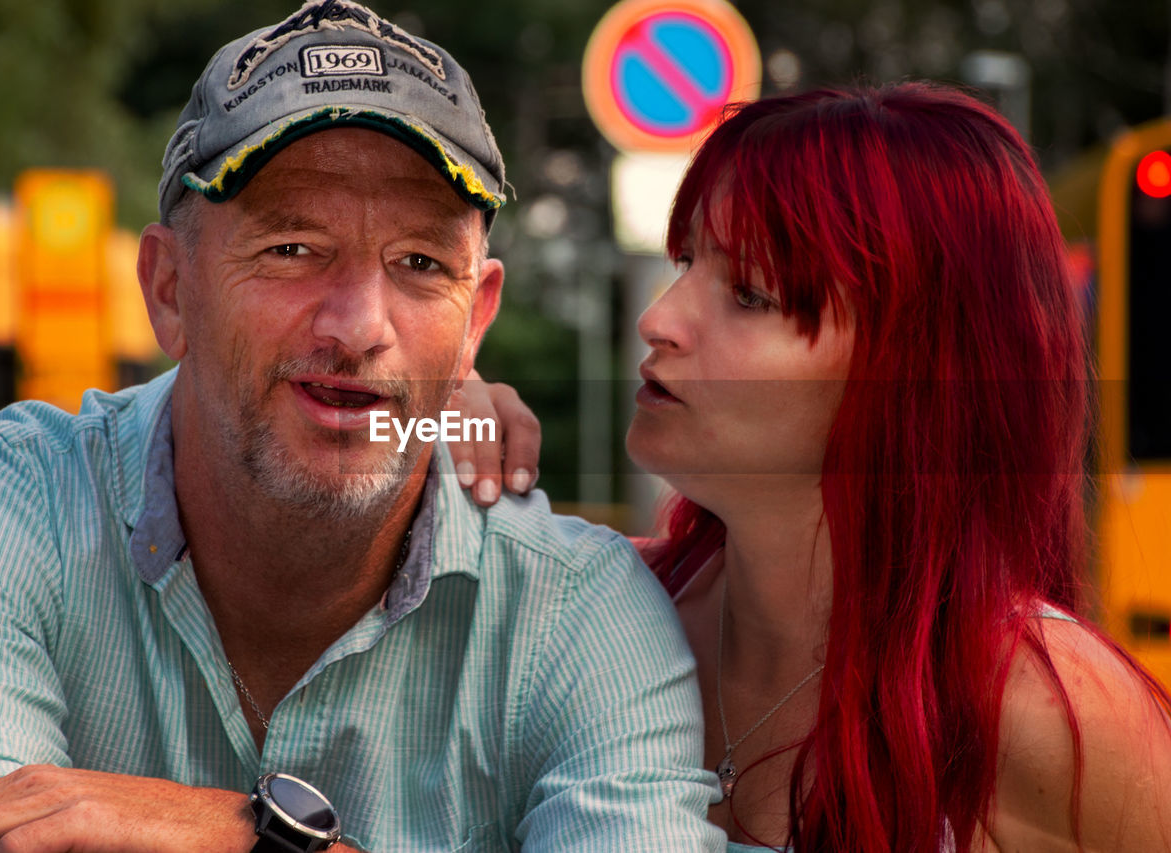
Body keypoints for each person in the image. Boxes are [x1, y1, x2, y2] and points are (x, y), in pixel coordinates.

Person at [0, 2, 723, 851]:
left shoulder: (579, 612)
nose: (358, 323)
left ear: (475, 322)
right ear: (170, 291)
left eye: (420, 263)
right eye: (291, 247)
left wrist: (249, 836)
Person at [479, 83, 1171, 850]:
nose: (659, 318)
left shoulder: (1053, 712)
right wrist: (430, 418)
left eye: (749, 292)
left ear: (917, 369)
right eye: (686, 261)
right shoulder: (602, 613)